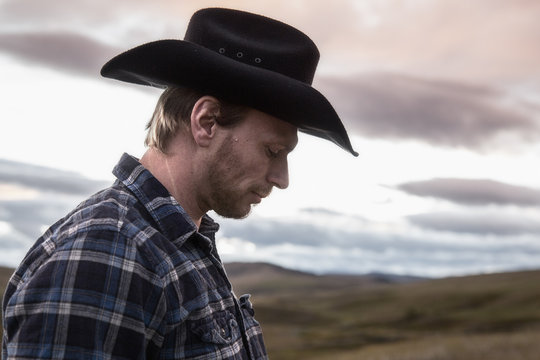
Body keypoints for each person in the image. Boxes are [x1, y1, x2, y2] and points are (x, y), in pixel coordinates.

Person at [2, 7, 357, 360]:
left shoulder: (177, 242)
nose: (282, 179)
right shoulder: (107, 254)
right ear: (206, 122)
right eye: (273, 150)